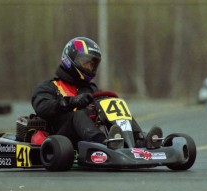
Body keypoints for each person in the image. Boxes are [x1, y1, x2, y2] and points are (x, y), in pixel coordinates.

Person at [31, 37, 161, 150]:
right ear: (70, 59)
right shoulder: (49, 86)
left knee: (116, 107)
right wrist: (71, 101)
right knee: (78, 114)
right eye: (86, 62)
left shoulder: (92, 89)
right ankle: (104, 144)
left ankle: (138, 140)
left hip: (86, 135)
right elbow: (42, 108)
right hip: (61, 137)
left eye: (93, 64)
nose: (90, 68)